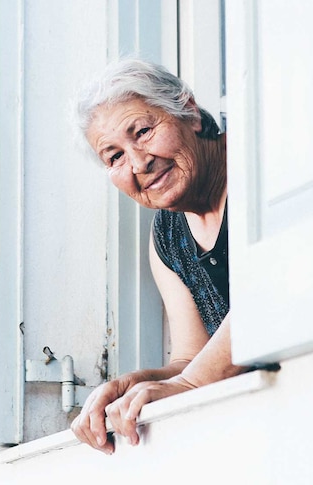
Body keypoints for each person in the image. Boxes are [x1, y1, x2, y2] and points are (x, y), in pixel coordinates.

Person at [70, 58, 248, 454]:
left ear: (189, 112)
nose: (138, 163)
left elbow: (274, 289)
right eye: (114, 156)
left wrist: (189, 385)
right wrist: (126, 387)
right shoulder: (168, 238)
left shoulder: (258, 167)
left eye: (144, 131)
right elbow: (191, 359)